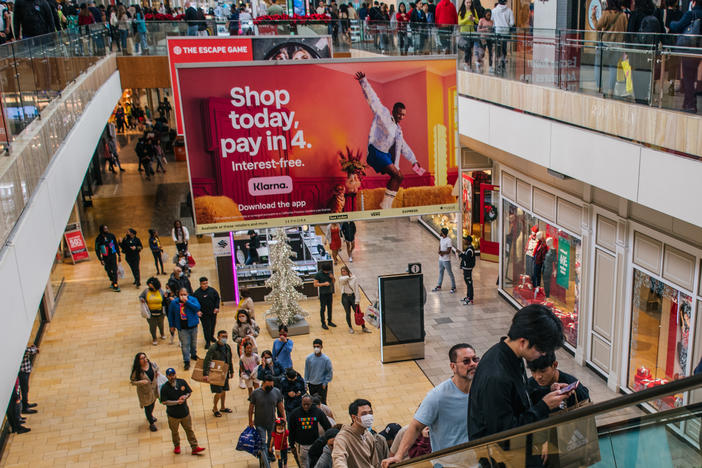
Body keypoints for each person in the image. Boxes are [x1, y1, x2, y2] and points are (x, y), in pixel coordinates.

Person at [468, 305, 573, 442]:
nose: (543, 354)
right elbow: (505, 435)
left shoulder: (508, 355)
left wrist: (547, 392)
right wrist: (544, 406)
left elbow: (518, 396)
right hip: (500, 457)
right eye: (541, 349)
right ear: (523, 342)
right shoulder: (497, 377)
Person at [381, 343, 477, 467]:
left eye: (475, 359)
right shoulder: (438, 396)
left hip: (475, 461)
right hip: (447, 465)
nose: (473, 364)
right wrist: (399, 456)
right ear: (453, 366)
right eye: (466, 361)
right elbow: (415, 426)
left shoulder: (481, 388)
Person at [355, 71, 425, 210]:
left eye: (403, 115)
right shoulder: (384, 115)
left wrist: (414, 160)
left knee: (399, 177)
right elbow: (373, 100)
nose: (401, 116)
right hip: (376, 151)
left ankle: (386, 205)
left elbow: (404, 146)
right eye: (399, 113)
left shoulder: (398, 130)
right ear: (393, 110)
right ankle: (385, 206)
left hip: (385, 155)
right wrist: (364, 81)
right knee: (397, 174)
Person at [160, 368, 206, 455]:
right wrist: (177, 402)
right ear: (167, 376)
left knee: (189, 430)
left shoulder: (182, 382)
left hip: (185, 413)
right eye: (170, 375)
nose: (172, 377)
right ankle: (177, 446)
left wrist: (185, 397)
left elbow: (189, 392)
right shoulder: (165, 388)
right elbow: (164, 401)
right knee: (174, 432)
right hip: (173, 415)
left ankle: (194, 447)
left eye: (173, 374)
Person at [332, 399, 388, 468]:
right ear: (354, 417)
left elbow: (374, 463)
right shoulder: (342, 438)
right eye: (364, 414)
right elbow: (338, 459)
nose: (368, 416)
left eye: (370, 413)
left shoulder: (368, 435)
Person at [670, 0, 702, 113]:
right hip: (699, 50)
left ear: (693, 2)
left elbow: (677, 26)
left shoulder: (691, 14)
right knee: (692, 75)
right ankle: (687, 103)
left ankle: (690, 104)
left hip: (689, 48)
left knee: (688, 77)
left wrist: (670, 23)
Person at [593, 0, 628, 97]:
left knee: (598, 66)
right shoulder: (623, 16)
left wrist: (593, 16)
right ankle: (611, 90)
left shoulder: (606, 14)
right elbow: (626, 32)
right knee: (613, 68)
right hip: (617, 46)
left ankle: (599, 87)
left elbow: (597, 27)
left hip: (605, 45)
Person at [288, 394, 333, 468]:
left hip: (315, 444)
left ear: (311, 403)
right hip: (302, 446)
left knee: (316, 464)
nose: (306, 406)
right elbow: (291, 430)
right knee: (304, 465)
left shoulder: (317, 412)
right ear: (301, 403)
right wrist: (292, 445)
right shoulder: (295, 414)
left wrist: (327, 440)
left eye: (308, 404)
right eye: (304, 404)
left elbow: (327, 426)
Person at [249, 375, 286, 463]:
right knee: (262, 441)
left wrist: (284, 417)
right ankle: (266, 460)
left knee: (271, 440)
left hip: (272, 422)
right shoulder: (255, 393)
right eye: (268, 386)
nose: (270, 388)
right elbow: (251, 408)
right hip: (259, 422)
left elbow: (280, 406)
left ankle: (269, 453)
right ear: (264, 383)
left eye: (272, 386)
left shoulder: (276, 392)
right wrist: (250, 421)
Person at [166, 288, 202, 370]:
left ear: (187, 294)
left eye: (185, 294)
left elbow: (197, 307)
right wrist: (171, 325)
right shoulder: (174, 303)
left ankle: (193, 354)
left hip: (193, 326)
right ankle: (186, 361)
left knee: (193, 342)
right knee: (185, 345)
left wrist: (187, 302)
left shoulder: (192, 299)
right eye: (181, 294)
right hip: (182, 328)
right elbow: (170, 314)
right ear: (178, 295)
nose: (183, 296)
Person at [203, 330, 234, 417]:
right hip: (216, 372)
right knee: (218, 392)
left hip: (225, 371)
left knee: (224, 390)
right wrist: (205, 374)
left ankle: (223, 407)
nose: (224, 338)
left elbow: (229, 360)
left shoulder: (227, 347)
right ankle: (215, 408)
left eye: (226, 337)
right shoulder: (213, 348)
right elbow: (207, 360)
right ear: (218, 337)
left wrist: (231, 371)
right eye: (222, 336)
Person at [129, 352, 161, 432]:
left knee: (153, 403)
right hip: (144, 392)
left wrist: (156, 373)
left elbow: (156, 369)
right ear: (138, 361)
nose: (144, 359)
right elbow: (132, 381)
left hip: (153, 390)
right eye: (142, 358)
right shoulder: (137, 371)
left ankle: (150, 415)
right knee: (147, 407)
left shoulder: (151, 364)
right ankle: (151, 423)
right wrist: (141, 382)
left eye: (145, 357)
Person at [338, 266, 371, 334]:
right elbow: (342, 281)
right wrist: (348, 276)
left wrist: (357, 300)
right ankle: (350, 327)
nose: (343, 273)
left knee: (358, 312)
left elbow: (356, 290)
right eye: (342, 272)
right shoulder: (341, 278)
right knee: (348, 313)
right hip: (345, 297)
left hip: (352, 296)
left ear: (347, 271)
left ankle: (363, 327)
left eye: (344, 271)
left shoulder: (354, 278)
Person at [192, 277, 221, 350]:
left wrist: (217, 307)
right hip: (204, 314)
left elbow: (217, 298)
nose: (205, 285)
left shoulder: (212, 290)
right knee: (206, 328)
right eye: (204, 284)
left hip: (212, 312)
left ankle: (211, 336)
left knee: (212, 325)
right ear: (200, 284)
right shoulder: (196, 293)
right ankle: (207, 341)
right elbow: (194, 303)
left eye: (206, 283)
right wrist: (197, 311)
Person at [139, 277, 168, 345]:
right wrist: (142, 299)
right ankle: (154, 338)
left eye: (151, 284)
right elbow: (141, 296)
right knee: (152, 326)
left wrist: (166, 297)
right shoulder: (146, 291)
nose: (149, 285)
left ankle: (162, 333)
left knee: (161, 324)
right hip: (150, 313)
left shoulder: (160, 291)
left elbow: (165, 298)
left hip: (160, 312)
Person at [305, 339, 334, 405]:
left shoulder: (326, 359)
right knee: (313, 402)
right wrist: (306, 382)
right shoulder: (309, 358)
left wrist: (325, 383)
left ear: (321, 347)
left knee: (322, 403)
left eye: (318, 346)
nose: (316, 348)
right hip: (312, 384)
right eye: (314, 347)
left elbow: (329, 372)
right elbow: (307, 371)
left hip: (321, 385)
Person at [95, 224, 122, 292]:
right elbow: (97, 249)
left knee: (114, 269)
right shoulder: (99, 239)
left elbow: (115, 244)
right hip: (105, 257)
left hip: (112, 255)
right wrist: (100, 259)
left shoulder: (111, 236)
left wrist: (119, 254)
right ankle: (112, 280)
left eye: (107, 228)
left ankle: (115, 284)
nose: (107, 230)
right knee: (108, 269)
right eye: (105, 229)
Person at [491, 0, 515, 75]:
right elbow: (512, 23)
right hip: (505, 31)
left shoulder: (494, 10)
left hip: (497, 31)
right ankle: (503, 60)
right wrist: (507, 25)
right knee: (504, 46)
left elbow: (492, 21)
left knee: (498, 46)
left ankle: (498, 60)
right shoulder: (509, 11)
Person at [432, 227, 456, 293]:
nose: (440, 233)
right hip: (440, 259)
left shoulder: (449, 240)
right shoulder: (441, 238)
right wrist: (439, 251)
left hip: (446, 260)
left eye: (441, 232)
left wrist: (442, 253)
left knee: (450, 273)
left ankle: (453, 287)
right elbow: (440, 245)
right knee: (440, 272)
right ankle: (439, 285)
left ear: (443, 233)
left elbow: (449, 250)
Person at [314, 264, 336, 330]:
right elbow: (315, 284)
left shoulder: (330, 273)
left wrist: (332, 278)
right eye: (326, 271)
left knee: (330, 307)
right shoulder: (318, 274)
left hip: (329, 293)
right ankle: (323, 323)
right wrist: (324, 284)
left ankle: (329, 321)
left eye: (328, 271)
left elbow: (333, 282)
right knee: (323, 308)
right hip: (323, 294)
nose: (327, 272)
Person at [458, 0, 479, 69]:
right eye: (467, 2)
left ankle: (468, 62)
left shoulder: (473, 10)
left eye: (470, 2)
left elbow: (478, 21)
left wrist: (473, 19)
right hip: (464, 33)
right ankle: (466, 62)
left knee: (470, 48)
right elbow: (460, 23)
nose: (469, 4)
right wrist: (467, 19)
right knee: (467, 47)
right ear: (464, 3)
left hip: (471, 32)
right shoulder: (461, 12)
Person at [18, 345, 39, 415]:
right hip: (23, 372)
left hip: (25, 370)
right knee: (24, 389)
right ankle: (25, 407)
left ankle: (26, 403)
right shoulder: (19, 348)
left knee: (26, 389)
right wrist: (34, 349)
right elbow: (29, 351)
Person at [458, 235, 476, 305]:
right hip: (466, 269)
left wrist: (460, 254)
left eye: (465, 240)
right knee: (467, 283)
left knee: (469, 283)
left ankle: (470, 299)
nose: (464, 241)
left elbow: (466, 258)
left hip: (468, 269)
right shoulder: (468, 249)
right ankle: (468, 296)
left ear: (468, 241)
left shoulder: (470, 250)